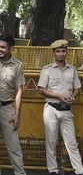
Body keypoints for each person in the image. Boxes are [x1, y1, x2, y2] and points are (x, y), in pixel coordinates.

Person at [38, 40, 83, 175]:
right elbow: (41, 90)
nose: (61, 54)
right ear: (53, 53)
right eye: (58, 51)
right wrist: (58, 96)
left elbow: (77, 88)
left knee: (71, 142)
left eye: (63, 51)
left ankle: (80, 170)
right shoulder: (47, 70)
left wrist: (72, 96)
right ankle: (53, 170)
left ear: (67, 52)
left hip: (66, 109)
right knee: (51, 141)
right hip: (51, 108)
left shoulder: (72, 70)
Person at [0, 34, 27, 175]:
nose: (0, 49)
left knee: (14, 146)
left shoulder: (17, 65)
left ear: (11, 48)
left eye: (3, 47)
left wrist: (17, 113)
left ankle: (20, 173)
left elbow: (19, 91)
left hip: (6, 109)